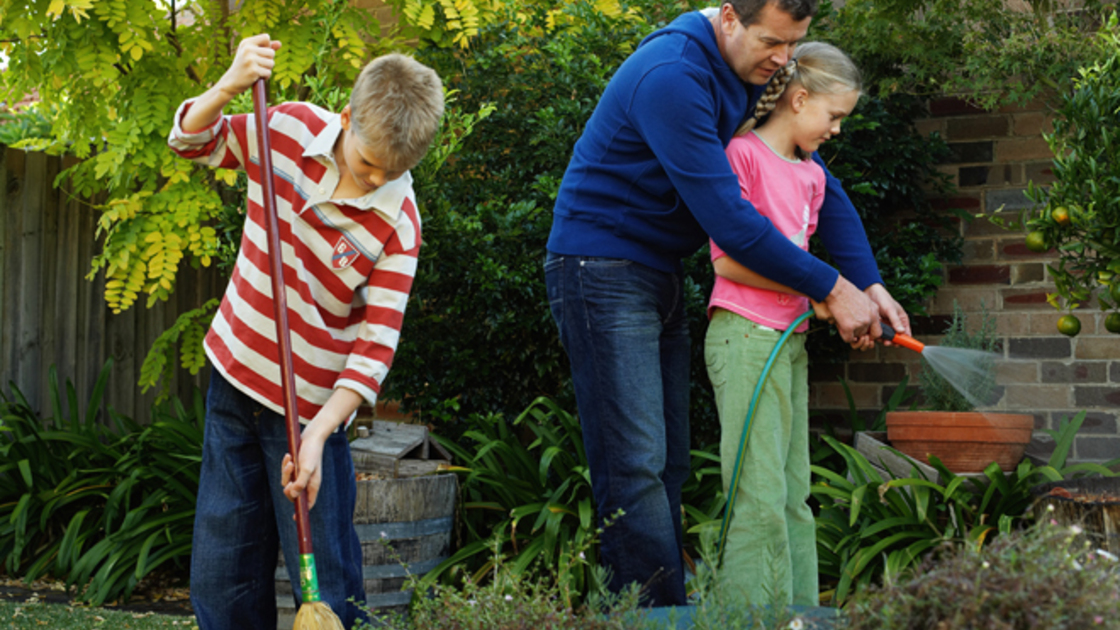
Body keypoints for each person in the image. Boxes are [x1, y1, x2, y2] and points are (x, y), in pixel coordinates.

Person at [544, 0, 910, 607]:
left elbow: (825, 186)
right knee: (633, 462)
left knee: (668, 465)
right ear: (730, 18)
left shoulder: (749, 71)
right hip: (598, 267)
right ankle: (651, 617)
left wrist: (867, 283)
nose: (784, 60)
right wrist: (830, 287)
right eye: (772, 42)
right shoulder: (673, 76)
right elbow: (731, 224)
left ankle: (670, 609)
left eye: (794, 44)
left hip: (656, 269)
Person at [168, 34, 444, 629]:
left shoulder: (400, 223)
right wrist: (229, 85)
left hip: (310, 416)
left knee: (329, 582)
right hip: (235, 378)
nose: (376, 180)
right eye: (368, 162)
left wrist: (318, 434)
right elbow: (194, 140)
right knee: (223, 570)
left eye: (393, 172)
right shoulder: (288, 132)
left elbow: (375, 348)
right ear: (346, 119)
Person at [705, 41, 861, 608]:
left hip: (788, 341)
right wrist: (815, 288)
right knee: (759, 493)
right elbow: (726, 260)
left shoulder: (811, 176)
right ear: (798, 100)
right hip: (744, 336)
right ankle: (750, 618)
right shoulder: (741, 155)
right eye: (834, 116)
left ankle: (799, 614)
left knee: (795, 493)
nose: (836, 130)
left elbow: (800, 257)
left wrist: (821, 296)